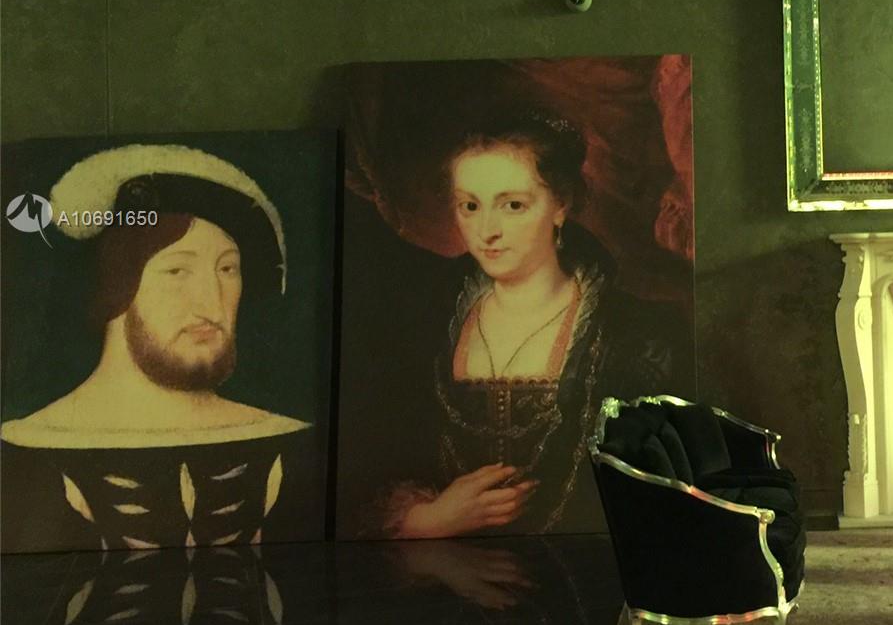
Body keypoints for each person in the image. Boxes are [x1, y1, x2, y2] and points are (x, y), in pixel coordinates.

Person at [374, 114, 685, 539]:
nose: (487, 231)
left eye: (513, 206)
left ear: (561, 205)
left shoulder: (637, 333)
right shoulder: (425, 326)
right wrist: (429, 520)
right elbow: (374, 462)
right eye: (470, 206)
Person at [1, 145, 309, 550]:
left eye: (227, 269)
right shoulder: (23, 452)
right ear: (118, 286)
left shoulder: (291, 441)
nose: (211, 303)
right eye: (177, 270)